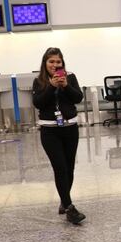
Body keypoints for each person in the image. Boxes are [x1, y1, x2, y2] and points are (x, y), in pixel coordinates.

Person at [32, 47, 85, 225]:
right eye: (51, 61)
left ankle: (64, 200)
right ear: (45, 63)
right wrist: (51, 86)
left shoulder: (70, 78)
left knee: (69, 168)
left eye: (58, 61)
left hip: (70, 128)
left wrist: (65, 86)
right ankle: (70, 208)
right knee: (60, 168)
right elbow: (38, 103)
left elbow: (78, 98)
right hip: (49, 131)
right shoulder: (39, 82)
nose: (55, 65)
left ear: (62, 63)